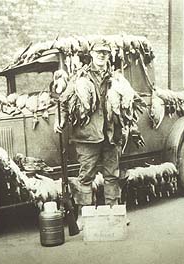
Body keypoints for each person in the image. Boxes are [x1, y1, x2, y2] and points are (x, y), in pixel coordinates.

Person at [54, 40, 123, 210]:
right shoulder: (80, 77)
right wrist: (60, 119)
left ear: (109, 56)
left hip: (111, 134)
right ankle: (85, 215)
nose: (101, 55)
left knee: (112, 175)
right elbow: (63, 101)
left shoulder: (116, 78)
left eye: (105, 53)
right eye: (98, 52)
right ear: (91, 54)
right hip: (87, 136)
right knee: (85, 177)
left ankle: (114, 212)